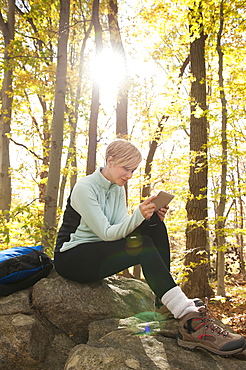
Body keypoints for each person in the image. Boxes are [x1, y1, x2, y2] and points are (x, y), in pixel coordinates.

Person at [54, 139, 245, 356]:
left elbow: (120, 229)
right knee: (143, 243)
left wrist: (148, 219)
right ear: (110, 161)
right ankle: (188, 319)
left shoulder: (117, 188)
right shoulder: (84, 187)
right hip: (71, 258)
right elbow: (107, 234)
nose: (129, 175)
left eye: (133, 170)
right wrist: (137, 214)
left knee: (154, 228)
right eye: (126, 168)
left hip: (97, 252)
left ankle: (164, 305)